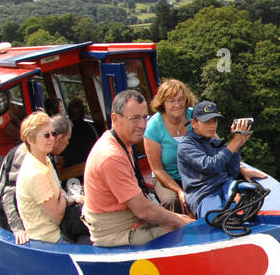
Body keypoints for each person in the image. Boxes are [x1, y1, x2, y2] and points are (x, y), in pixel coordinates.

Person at [82, 90, 194, 246]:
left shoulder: (119, 141)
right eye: (134, 118)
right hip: (116, 232)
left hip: (129, 217)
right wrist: (180, 220)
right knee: (180, 232)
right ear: (115, 118)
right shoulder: (111, 156)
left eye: (144, 118)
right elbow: (143, 210)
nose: (142, 125)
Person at [0, 114, 87, 244]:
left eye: (52, 133)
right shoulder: (25, 159)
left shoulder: (44, 158)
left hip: (50, 219)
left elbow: (56, 188)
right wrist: (17, 228)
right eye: (47, 135)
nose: (52, 138)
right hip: (42, 231)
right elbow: (8, 192)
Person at [177, 100, 266, 219]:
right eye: (206, 122)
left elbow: (232, 171)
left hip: (225, 185)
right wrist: (234, 142)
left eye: (214, 121)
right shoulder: (186, 145)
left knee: (255, 202)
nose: (212, 125)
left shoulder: (215, 142)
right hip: (204, 194)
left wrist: (237, 146)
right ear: (193, 123)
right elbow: (210, 166)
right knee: (218, 220)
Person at [142, 79, 197, 213]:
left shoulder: (194, 116)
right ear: (163, 103)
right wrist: (179, 190)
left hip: (193, 173)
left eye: (181, 99)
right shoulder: (154, 126)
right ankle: (177, 230)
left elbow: (215, 142)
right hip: (166, 176)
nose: (177, 105)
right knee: (172, 201)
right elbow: (157, 169)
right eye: (171, 101)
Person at [56, 97, 98, 181]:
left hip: (68, 177)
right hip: (89, 173)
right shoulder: (91, 129)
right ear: (83, 112)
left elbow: (60, 160)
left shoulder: (64, 130)